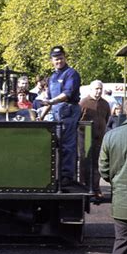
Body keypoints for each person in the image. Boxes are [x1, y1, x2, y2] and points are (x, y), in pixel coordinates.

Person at [98, 96, 127, 254]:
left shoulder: (111, 136)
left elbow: (104, 170)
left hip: (122, 202)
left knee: (122, 248)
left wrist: (117, 183)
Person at [41, 46, 81, 187]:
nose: (59, 61)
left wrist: (51, 102)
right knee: (54, 144)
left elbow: (66, 94)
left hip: (68, 111)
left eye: (61, 58)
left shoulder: (71, 74)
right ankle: (54, 175)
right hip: (56, 113)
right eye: (56, 59)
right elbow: (48, 101)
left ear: (65, 57)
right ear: (52, 60)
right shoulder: (52, 77)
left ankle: (67, 177)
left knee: (67, 145)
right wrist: (40, 117)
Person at [78, 80, 110, 198]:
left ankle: (96, 188)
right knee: (85, 161)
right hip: (85, 135)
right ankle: (84, 187)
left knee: (98, 162)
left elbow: (107, 118)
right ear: (91, 89)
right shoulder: (84, 102)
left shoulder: (105, 104)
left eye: (100, 89)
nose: (98, 91)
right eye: (96, 89)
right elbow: (78, 119)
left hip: (99, 136)